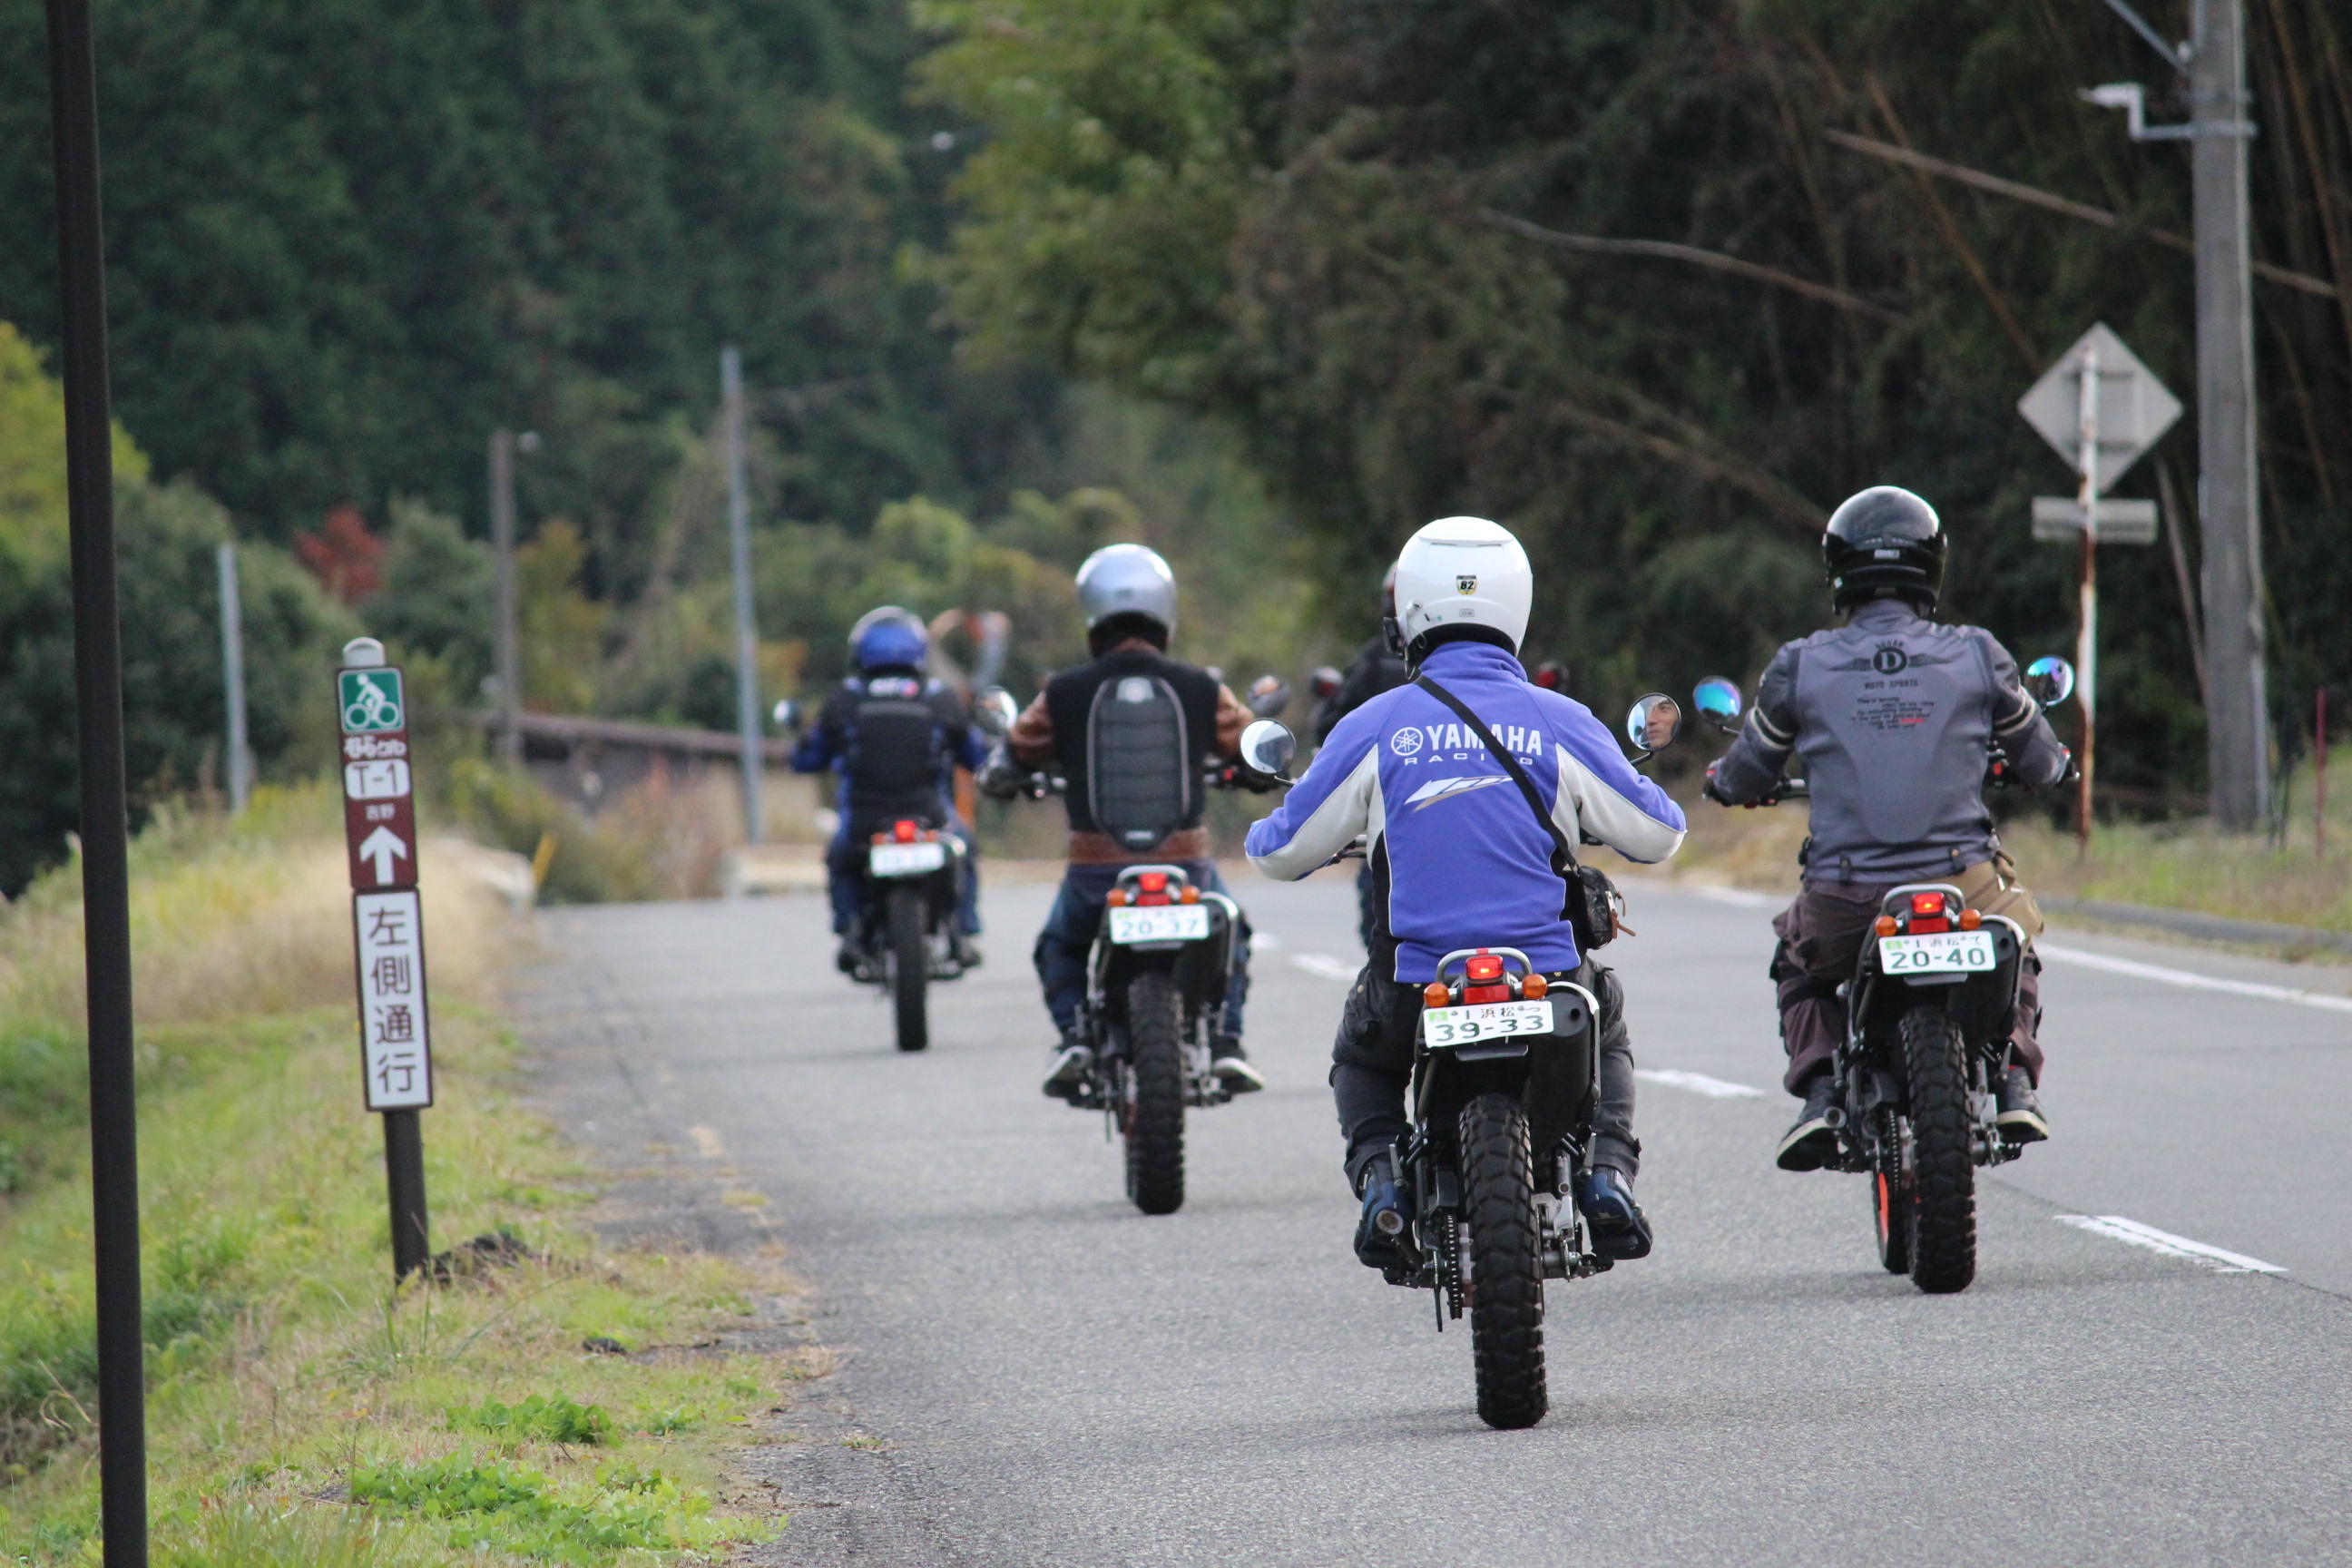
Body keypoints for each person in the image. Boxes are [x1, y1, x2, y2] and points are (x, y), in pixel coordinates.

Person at [1243, 516, 1686, 1268]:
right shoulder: (1561, 720)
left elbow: (1281, 852)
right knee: (1604, 1019)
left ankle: (1383, 1188)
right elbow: (1659, 834)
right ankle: (1608, 1178)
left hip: (1419, 984)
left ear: (1409, 612)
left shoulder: (1375, 723)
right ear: (1516, 608)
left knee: (1361, 1057)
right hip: (1548, 980)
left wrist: (1276, 830)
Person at [1704, 485, 2069, 1170]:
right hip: (1963, 882)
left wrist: (1722, 785)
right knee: (2017, 938)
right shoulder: (1979, 654)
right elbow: (2043, 761)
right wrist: (2052, 772)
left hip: (1846, 900)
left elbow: (1748, 769)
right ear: (1931, 567)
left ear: (1838, 572)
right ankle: (2016, 1079)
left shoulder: (1800, 664)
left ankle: (1817, 1092)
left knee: (1797, 962)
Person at [985, 544, 1265, 1099]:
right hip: (1185, 866)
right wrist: (1256, 772)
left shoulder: (1060, 693)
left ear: (1092, 615)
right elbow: (1251, 748)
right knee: (1235, 930)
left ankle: (1074, 1039)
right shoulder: (1203, 688)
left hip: (1097, 873)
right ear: (1165, 613)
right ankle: (1229, 1042)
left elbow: (1013, 755)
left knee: (1058, 947)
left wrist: (1005, 776)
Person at [791, 607, 988, 973]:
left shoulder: (844, 699)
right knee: (966, 848)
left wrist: (801, 740)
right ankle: (963, 930)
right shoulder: (939, 698)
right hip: (932, 819)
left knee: (840, 859)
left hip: (862, 826)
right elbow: (978, 757)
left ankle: (849, 931)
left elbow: (809, 759)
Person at [1313, 566, 1411, 951]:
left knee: (1379, 954)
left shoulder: (1374, 663)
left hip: (1388, 832)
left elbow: (1331, 728)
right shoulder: (1520, 692)